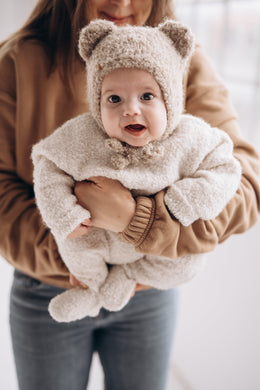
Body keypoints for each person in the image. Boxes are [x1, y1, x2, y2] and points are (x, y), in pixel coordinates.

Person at [0, 1, 259, 389]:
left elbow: (244, 186)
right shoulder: (18, 61)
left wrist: (136, 222)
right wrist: (77, 247)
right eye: (114, 99)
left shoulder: (178, 57)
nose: (121, 2)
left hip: (148, 288)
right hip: (48, 286)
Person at [31, 19, 241, 323]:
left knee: (189, 264)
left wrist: (183, 201)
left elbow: (226, 168)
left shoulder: (192, 137)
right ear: (96, 101)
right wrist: (64, 214)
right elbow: (47, 163)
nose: (130, 109)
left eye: (147, 97)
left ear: (170, 99)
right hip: (97, 235)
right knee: (74, 242)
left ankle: (127, 277)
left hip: (158, 246)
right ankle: (90, 287)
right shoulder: (82, 136)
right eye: (114, 99)